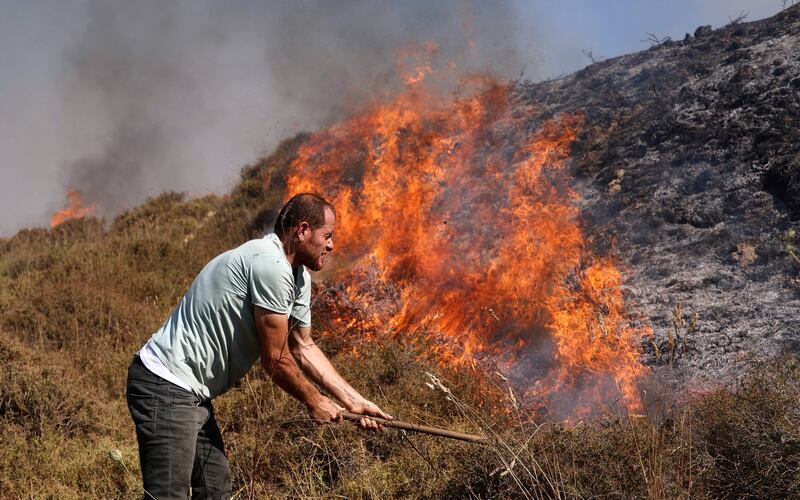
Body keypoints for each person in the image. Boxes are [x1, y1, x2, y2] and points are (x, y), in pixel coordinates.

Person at [125, 192, 392, 499]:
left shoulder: (298, 277)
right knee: (168, 496)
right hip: (165, 385)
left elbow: (303, 347)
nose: (332, 245)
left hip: (191, 394)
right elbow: (275, 360)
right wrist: (314, 400)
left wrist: (353, 401)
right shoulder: (269, 264)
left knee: (214, 490)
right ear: (302, 230)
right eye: (327, 236)